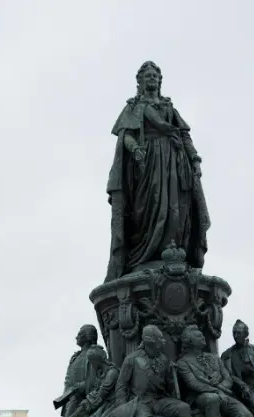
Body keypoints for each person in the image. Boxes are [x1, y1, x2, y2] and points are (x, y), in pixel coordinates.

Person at [105, 61, 210, 280]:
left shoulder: (169, 108)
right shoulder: (134, 107)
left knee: (177, 207)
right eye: (147, 76)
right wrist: (135, 150)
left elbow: (184, 135)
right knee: (148, 206)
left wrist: (195, 159)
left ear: (160, 81)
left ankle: (173, 251)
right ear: (140, 82)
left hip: (175, 160)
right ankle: (144, 255)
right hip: (148, 162)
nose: (152, 78)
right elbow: (126, 135)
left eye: (155, 76)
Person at [108, 325, 205, 417]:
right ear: (150, 341)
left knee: (184, 408)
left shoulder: (164, 359)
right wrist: (122, 408)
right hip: (140, 402)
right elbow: (121, 385)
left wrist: (172, 374)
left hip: (159, 400)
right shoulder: (132, 359)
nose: (164, 342)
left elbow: (170, 388)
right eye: (160, 339)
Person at [175, 325, 254, 417]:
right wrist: (216, 390)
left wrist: (222, 386)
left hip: (224, 394)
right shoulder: (183, 362)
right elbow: (193, 383)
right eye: (199, 336)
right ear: (190, 341)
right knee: (212, 399)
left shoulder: (215, 358)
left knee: (246, 416)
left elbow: (228, 378)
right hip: (199, 398)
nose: (203, 337)